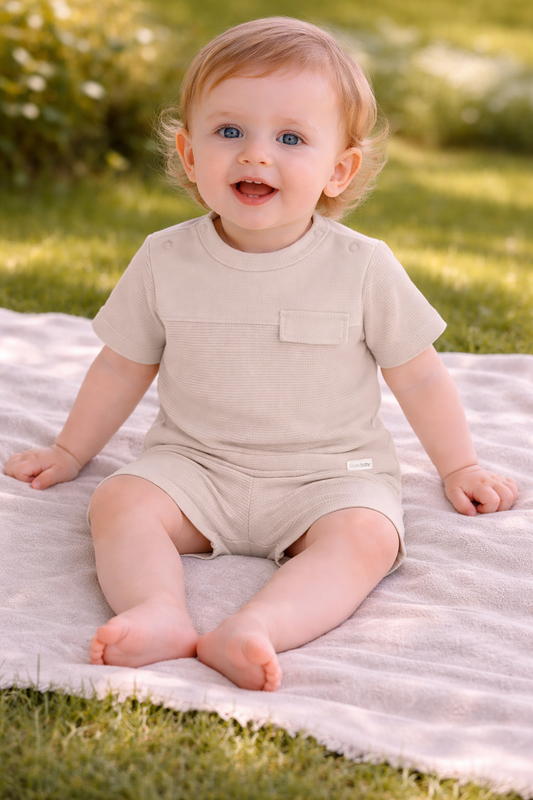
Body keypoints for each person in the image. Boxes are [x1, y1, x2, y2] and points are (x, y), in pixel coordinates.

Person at [5, 17, 518, 692]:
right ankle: (157, 610)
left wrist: (459, 465)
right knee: (119, 502)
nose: (254, 155)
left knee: (366, 536)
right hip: (195, 466)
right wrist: (71, 452)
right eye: (228, 132)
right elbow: (122, 365)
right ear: (189, 156)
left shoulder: (362, 265)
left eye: (289, 138)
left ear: (338, 170)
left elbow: (417, 374)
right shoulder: (164, 258)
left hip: (330, 474)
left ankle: (257, 627)